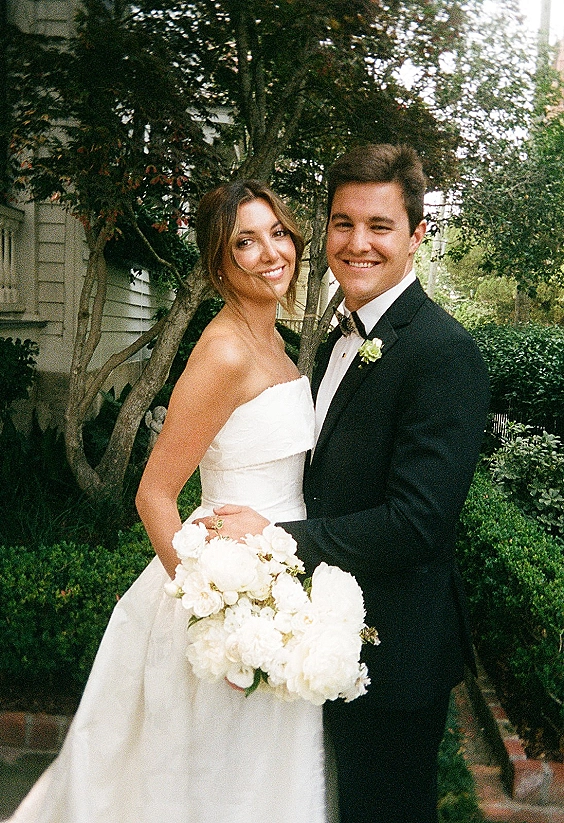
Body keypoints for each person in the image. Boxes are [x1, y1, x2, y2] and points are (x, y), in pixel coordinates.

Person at [4, 179, 329, 823]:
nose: (271, 253)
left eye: (277, 233)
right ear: (218, 263)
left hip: (282, 580)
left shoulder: (278, 344)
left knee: (262, 778)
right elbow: (154, 495)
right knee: (207, 783)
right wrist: (217, 616)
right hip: (224, 592)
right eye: (245, 242)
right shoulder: (223, 352)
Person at [200, 144, 490, 823]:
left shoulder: (444, 353)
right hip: (323, 642)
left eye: (380, 225)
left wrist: (274, 538)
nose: (358, 242)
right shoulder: (341, 339)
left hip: (393, 660)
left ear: (417, 235)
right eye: (342, 222)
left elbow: (417, 523)